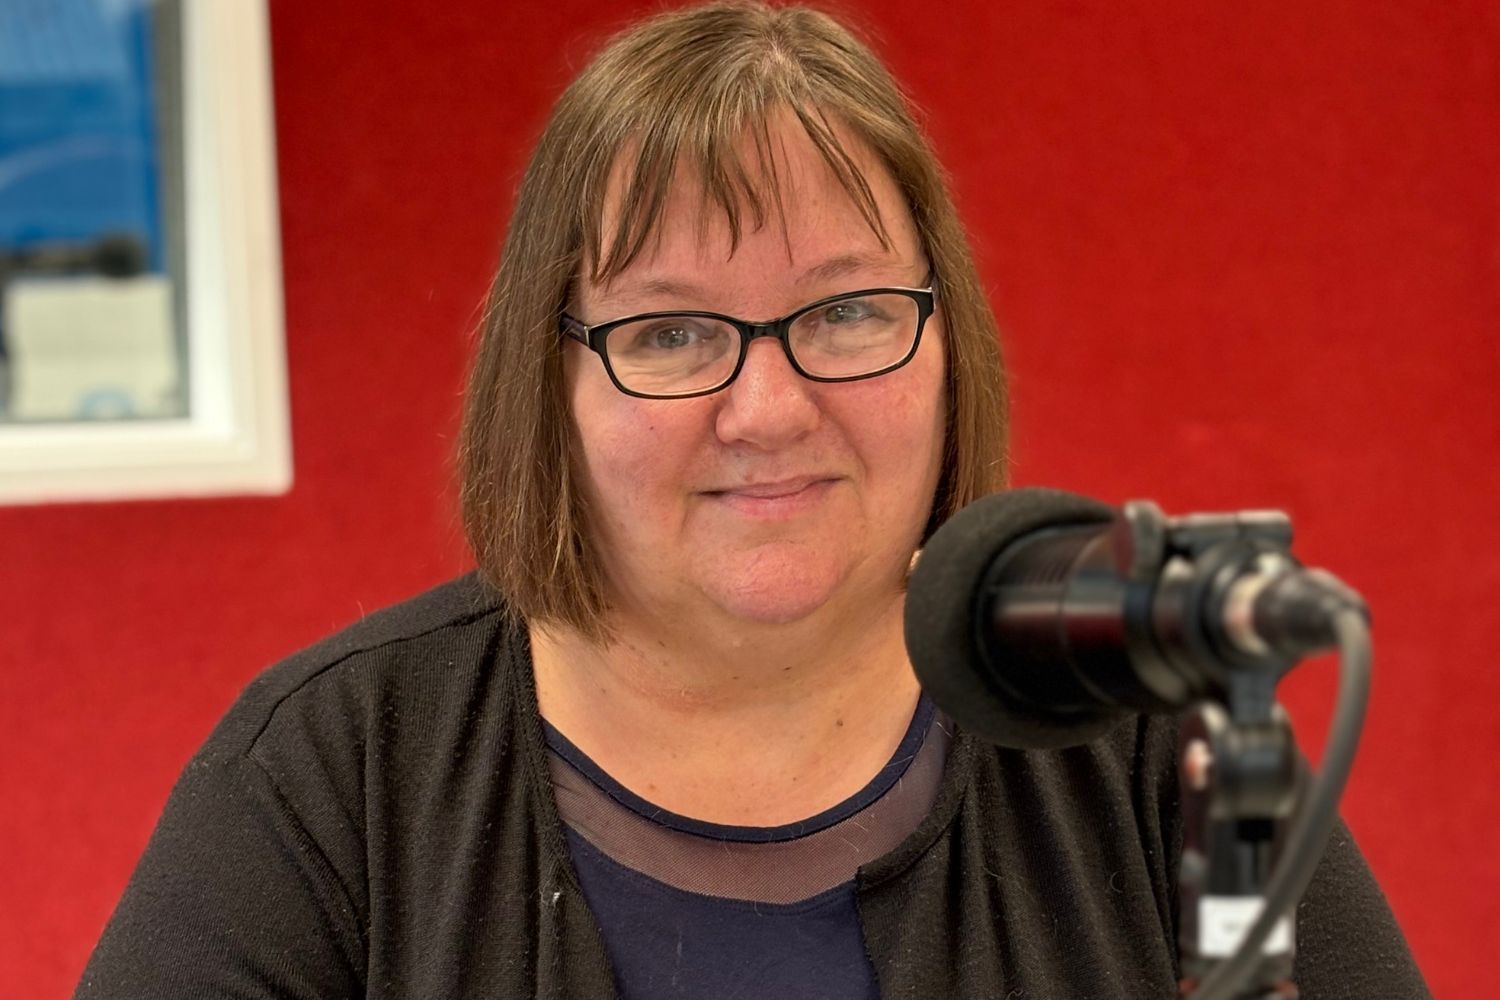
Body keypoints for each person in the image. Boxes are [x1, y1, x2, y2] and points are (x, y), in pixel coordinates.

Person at [75, 3, 1430, 997]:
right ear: (549, 382)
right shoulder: (335, 775)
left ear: (946, 343)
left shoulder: (1143, 732)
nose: (769, 409)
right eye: (672, 334)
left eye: (844, 312)